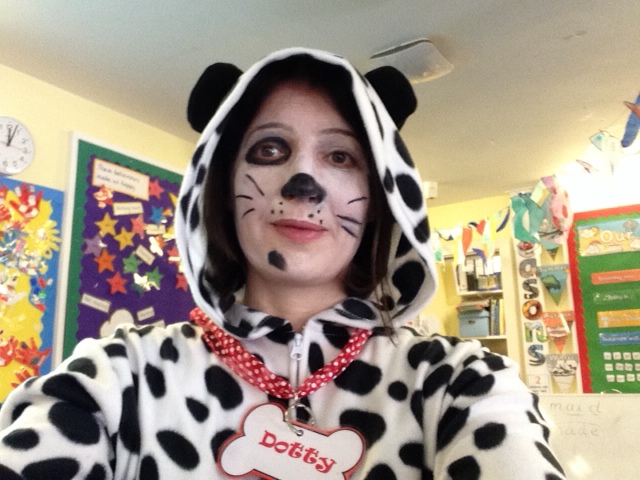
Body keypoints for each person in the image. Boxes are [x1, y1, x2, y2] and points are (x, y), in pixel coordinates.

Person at [0, 48, 565, 480]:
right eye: (270, 149)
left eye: (340, 156)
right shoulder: (115, 378)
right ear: (221, 188)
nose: (304, 183)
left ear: (379, 199)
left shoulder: (460, 384)